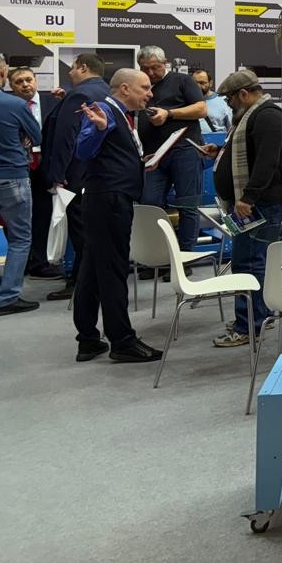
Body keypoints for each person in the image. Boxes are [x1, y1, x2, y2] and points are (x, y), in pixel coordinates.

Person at [72, 68, 162, 362]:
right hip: (108, 201)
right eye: (145, 87)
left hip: (107, 198)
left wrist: (137, 162)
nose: (150, 94)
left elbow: (108, 152)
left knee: (92, 268)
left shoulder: (121, 114)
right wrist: (98, 129)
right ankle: (122, 341)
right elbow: (83, 151)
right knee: (113, 269)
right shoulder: (105, 111)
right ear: (125, 88)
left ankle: (88, 338)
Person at [198, 70, 282, 348]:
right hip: (252, 204)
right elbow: (251, 152)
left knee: (249, 264)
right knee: (251, 261)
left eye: (229, 99)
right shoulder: (251, 117)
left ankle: (249, 326)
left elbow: (267, 162)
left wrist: (248, 198)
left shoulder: (267, 117)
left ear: (243, 94)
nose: (227, 104)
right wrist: (219, 152)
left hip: (258, 205)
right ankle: (260, 315)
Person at [41, 53, 110, 302]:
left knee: (82, 231)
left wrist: (58, 173)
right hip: (100, 174)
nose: (69, 73)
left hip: (76, 174)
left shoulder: (79, 95)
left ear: (83, 68)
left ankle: (82, 281)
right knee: (94, 229)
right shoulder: (106, 92)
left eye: (72, 68)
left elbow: (65, 137)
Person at [137, 46, 207, 254]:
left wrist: (169, 114)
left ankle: (185, 257)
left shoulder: (182, 81)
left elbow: (201, 109)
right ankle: (156, 256)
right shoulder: (141, 85)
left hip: (184, 150)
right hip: (153, 155)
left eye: (155, 67)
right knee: (149, 204)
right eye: (145, 68)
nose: (150, 73)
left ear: (165, 63)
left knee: (188, 205)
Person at [0, 54, 42, 316]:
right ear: (3, 73)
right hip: (11, 174)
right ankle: (7, 297)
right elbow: (36, 136)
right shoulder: (14, 104)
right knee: (20, 238)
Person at [7, 66, 62, 280]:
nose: (25, 85)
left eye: (28, 80)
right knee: (16, 218)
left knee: (43, 214)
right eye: (19, 82)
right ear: (11, 86)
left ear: (36, 80)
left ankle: (39, 262)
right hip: (18, 165)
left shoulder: (53, 102)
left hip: (44, 165)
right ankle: (22, 262)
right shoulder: (8, 105)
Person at [191, 67, 232, 133]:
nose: (198, 86)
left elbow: (231, 128)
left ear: (210, 83)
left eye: (202, 83)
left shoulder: (223, 101)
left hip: (217, 139)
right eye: (195, 83)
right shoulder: (187, 102)